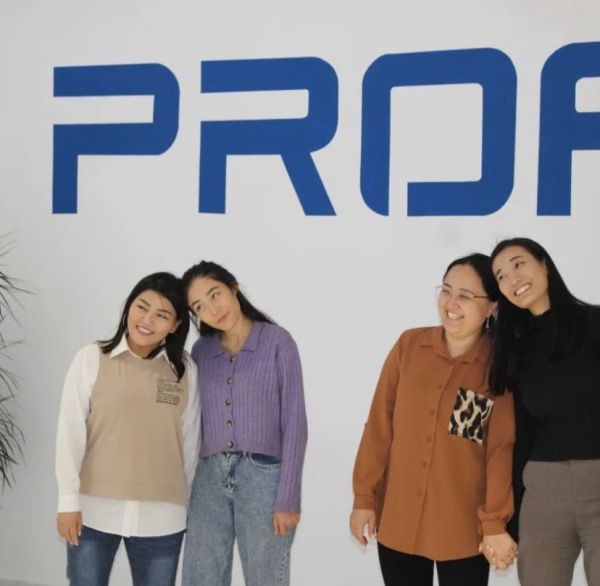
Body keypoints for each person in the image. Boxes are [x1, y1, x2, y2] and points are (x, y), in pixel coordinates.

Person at [350, 253, 517, 586]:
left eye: (465, 296)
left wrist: (495, 522)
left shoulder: (499, 366)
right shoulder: (409, 346)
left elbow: (500, 450)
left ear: (492, 307)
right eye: (446, 290)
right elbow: (379, 427)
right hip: (399, 521)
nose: (451, 303)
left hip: (463, 529)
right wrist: (364, 498)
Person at [55, 272, 200, 586]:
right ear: (127, 309)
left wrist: (186, 504)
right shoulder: (91, 358)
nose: (147, 320)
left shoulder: (185, 371)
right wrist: (68, 501)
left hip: (162, 518)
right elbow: (69, 435)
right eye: (141, 307)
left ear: (175, 325)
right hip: (93, 512)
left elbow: (190, 444)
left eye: (162, 315)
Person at [181, 261, 308, 586]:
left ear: (233, 287)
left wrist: (288, 496)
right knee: (201, 576)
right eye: (199, 306)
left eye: (215, 294)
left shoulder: (278, 342)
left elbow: (295, 422)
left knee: (266, 578)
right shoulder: (201, 350)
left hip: (264, 478)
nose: (212, 309)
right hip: (209, 478)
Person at [489, 237, 600, 586]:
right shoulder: (514, 349)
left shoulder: (596, 323)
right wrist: (512, 517)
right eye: (501, 277)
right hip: (544, 489)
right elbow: (520, 435)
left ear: (544, 264)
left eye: (518, 264)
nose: (512, 279)